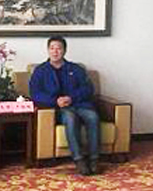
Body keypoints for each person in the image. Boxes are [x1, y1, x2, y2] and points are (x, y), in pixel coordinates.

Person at [29, 36, 101, 176]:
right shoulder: (40, 70)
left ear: (64, 50)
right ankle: (79, 159)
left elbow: (88, 89)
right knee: (70, 117)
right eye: (52, 48)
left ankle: (94, 159)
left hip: (79, 104)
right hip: (57, 108)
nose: (55, 51)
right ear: (48, 50)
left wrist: (71, 98)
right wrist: (55, 101)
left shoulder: (76, 69)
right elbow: (35, 93)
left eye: (59, 48)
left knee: (93, 117)